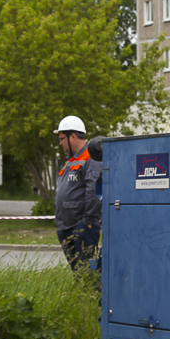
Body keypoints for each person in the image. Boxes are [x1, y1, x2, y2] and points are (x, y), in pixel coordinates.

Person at [54, 115, 102, 272]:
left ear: (72, 136)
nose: (60, 143)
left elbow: (94, 190)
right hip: (67, 225)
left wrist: (88, 221)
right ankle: (84, 297)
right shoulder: (71, 160)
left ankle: (93, 297)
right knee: (79, 274)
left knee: (87, 273)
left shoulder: (91, 157)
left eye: (62, 139)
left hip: (81, 226)